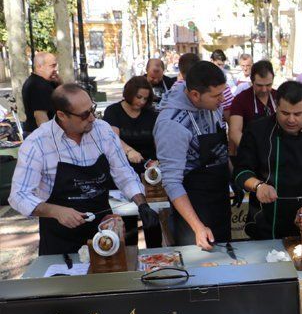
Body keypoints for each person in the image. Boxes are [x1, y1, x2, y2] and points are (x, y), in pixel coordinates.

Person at [9, 84, 159, 255]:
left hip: (104, 230)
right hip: (60, 238)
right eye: (84, 114)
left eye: (92, 109)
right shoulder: (37, 143)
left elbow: (123, 173)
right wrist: (54, 211)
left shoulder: (102, 131)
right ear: (61, 115)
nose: (92, 118)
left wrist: (142, 204)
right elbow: (18, 196)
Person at [233, 80, 302, 240]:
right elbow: (241, 171)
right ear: (276, 107)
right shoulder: (257, 131)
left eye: (298, 114)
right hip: (265, 222)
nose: (291, 120)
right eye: (285, 113)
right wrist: (258, 186)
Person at [154, 61, 231, 249]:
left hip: (219, 197)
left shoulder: (212, 105)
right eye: (216, 95)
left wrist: (232, 175)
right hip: (194, 206)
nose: (223, 99)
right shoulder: (171, 125)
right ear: (195, 95)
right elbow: (172, 182)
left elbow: (219, 150)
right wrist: (198, 227)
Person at [102, 76, 163, 248]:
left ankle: (155, 253)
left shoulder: (151, 114)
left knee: (152, 216)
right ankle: (130, 255)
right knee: (128, 219)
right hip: (122, 171)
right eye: (139, 97)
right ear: (129, 94)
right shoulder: (113, 111)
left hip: (148, 173)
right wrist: (129, 151)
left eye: (145, 98)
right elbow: (113, 139)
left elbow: (159, 141)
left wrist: (157, 161)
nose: (142, 102)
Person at [228, 60, 276, 151]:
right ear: (251, 81)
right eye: (259, 85)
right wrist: (252, 151)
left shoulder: (279, 97)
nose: (264, 90)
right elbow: (235, 132)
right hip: (250, 150)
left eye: (268, 85)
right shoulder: (240, 100)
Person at [22, 52, 61, 135]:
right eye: (52, 66)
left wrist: (58, 81)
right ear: (39, 67)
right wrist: (49, 139)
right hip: (39, 135)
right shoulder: (37, 85)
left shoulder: (45, 82)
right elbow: (40, 116)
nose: (56, 69)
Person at [210, 50, 236, 118]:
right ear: (211, 60)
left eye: (222, 65)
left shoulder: (225, 76)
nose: (221, 68)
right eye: (218, 64)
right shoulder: (205, 77)